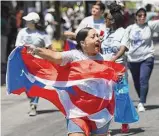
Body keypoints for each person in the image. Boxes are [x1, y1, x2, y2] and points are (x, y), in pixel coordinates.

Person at [27, 27, 117, 136]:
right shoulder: (74, 55)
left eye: (98, 36)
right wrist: (36, 50)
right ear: (83, 43)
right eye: (93, 37)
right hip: (77, 111)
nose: (97, 39)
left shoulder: (105, 59)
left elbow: (113, 80)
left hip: (100, 113)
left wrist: (117, 77)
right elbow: (55, 56)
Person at [111, 7, 159, 112]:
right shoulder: (130, 28)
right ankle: (141, 97)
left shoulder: (149, 25)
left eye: (144, 15)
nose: (142, 17)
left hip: (147, 57)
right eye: (140, 15)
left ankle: (141, 102)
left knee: (143, 79)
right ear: (136, 17)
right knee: (137, 82)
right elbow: (122, 40)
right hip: (132, 59)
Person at [101, 2, 139, 133]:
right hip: (104, 69)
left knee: (121, 96)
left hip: (119, 69)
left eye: (108, 19)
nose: (106, 21)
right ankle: (105, 126)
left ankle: (124, 121)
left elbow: (123, 49)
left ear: (114, 20)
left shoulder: (123, 32)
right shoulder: (104, 32)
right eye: (105, 18)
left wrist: (112, 59)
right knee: (105, 98)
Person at [15, 12, 52, 116]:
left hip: (38, 63)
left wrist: (50, 59)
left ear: (34, 22)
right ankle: (31, 97)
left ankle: (33, 105)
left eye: (28, 20)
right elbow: (17, 46)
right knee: (26, 84)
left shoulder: (42, 34)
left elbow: (49, 48)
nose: (26, 22)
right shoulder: (22, 32)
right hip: (24, 62)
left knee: (35, 84)